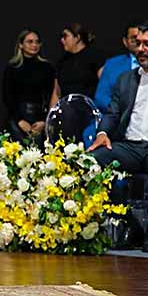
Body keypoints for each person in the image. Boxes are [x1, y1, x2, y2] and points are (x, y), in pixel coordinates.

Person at [88, 22, 148, 252]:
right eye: (139, 44)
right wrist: (103, 133)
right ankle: (131, 224)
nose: (141, 49)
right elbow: (112, 113)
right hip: (131, 146)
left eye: (147, 44)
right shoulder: (125, 79)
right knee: (94, 159)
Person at [2, 29, 54, 142]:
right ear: (21, 44)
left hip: (39, 118)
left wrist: (44, 120)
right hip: (17, 118)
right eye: (30, 42)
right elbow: (8, 96)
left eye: (37, 42)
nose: (34, 45)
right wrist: (19, 120)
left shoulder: (47, 68)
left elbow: (51, 96)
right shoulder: (12, 68)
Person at [49, 23, 104, 107]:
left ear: (77, 38)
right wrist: (51, 117)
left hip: (89, 111)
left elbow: (104, 86)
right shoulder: (62, 61)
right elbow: (56, 93)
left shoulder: (95, 57)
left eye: (65, 36)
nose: (62, 40)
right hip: (66, 113)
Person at [94, 21, 143, 113]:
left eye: (142, 40)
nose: (138, 43)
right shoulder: (112, 64)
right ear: (125, 42)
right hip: (116, 117)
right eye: (134, 39)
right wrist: (119, 110)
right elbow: (101, 97)